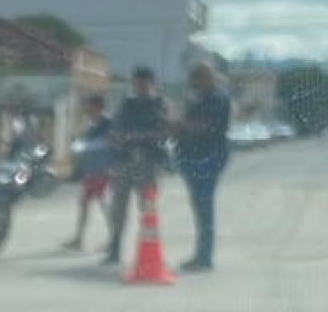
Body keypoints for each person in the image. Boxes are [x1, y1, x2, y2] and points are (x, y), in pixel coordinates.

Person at [104, 66, 169, 266]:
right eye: (137, 82)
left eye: (143, 82)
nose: (140, 86)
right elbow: (115, 130)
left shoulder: (159, 104)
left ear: (151, 83)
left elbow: (163, 132)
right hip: (124, 160)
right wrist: (120, 139)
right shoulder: (126, 104)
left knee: (147, 209)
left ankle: (149, 253)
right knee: (118, 209)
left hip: (148, 162)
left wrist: (139, 136)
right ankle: (114, 249)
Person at [175, 62, 232, 271]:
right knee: (199, 206)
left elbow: (203, 127)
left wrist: (178, 124)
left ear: (209, 77)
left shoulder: (217, 99)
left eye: (198, 77)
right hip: (193, 157)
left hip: (208, 156)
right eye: (193, 77)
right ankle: (201, 254)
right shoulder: (197, 99)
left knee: (204, 205)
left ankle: (204, 256)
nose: (194, 81)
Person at [63, 94, 113, 251]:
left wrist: (83, 146)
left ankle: (113, 239)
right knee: (85, 204)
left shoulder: (106, 123)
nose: (87, 109)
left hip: (102, 170)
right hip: (91, 170)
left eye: (90, 106)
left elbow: (105, 143)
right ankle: (79, 238)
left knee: (104, 205)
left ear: (98, 106)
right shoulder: (93, 124)